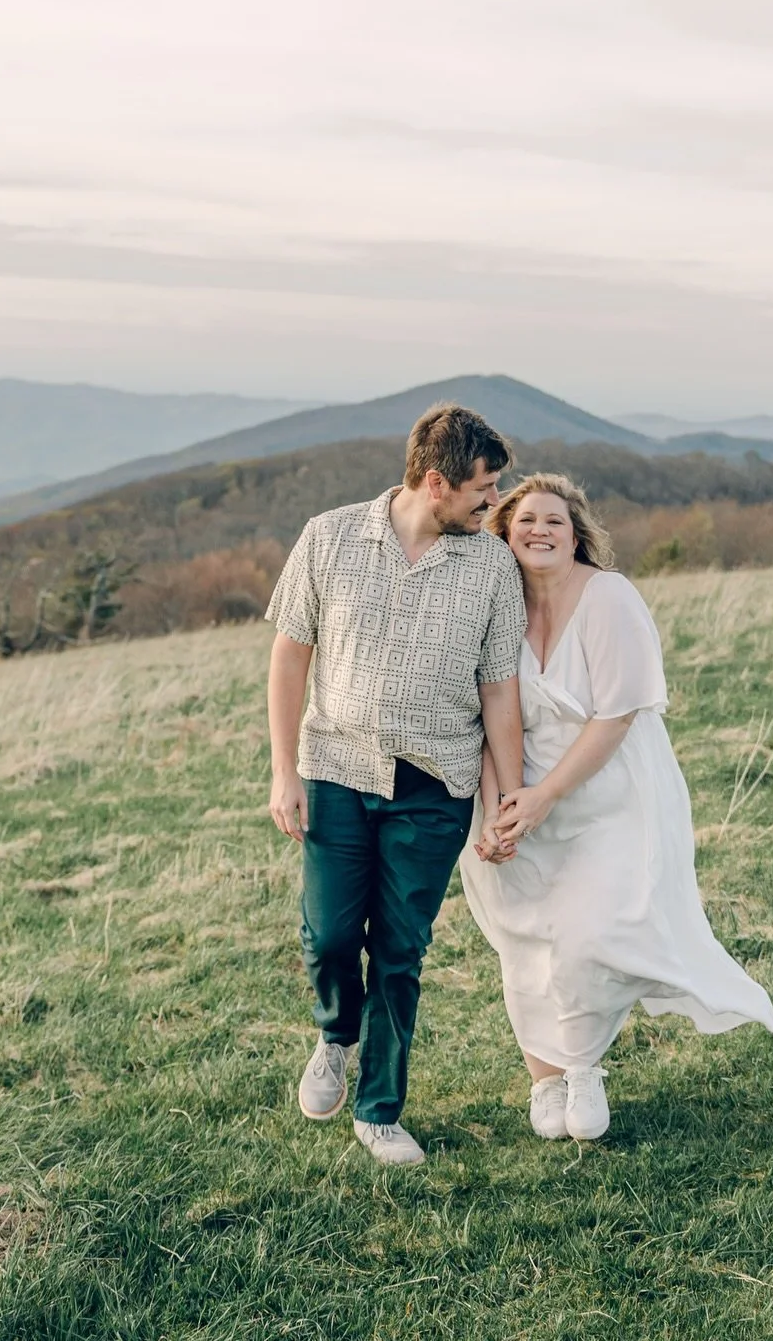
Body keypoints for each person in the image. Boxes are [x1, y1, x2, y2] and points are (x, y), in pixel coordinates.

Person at [461, 473, 773, 1143]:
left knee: (587, 932)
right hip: (517, 792)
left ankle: (581, 1067)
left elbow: (616, 716)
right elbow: (488, 713)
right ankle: (544, 1079)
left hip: (605, 797)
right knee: (527, 939)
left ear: (577, 534)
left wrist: (546, 796)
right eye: (525, 521)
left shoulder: (608, 598)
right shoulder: (496, 607)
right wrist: (499, 809)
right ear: (504, 535)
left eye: (554, 520)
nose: (540, 529)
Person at [265, 403, 526, 1166]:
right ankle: (334, 1034)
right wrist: (285, 772)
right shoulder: (328, 536)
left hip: (435, 783)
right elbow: (289, 658)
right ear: (436, 482)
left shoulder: (492, 566)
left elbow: (500, 689)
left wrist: (506, 797)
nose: (495, 503)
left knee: (401, 949)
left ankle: (380, 1108)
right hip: (336, 770)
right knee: (334, 935)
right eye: (484, 489)